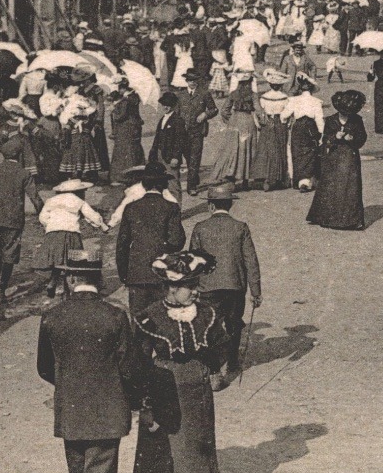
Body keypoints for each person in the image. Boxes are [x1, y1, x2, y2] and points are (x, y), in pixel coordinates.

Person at [36, 248, 142, 473]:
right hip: (107, 410)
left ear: (70, 278)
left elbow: (43, 367)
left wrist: (70, 384)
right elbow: (130, 368)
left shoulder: (52, 316)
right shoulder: (115, 316)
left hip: (70, 409)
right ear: (98, 279)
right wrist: (133, 399)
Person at [129, 251, 229, 473]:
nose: (195, 291)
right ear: (172, 287)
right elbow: (138, 362)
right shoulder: (148, 318)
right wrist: (145, 403)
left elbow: (220, 345)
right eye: (190, 286)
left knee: (197, 447)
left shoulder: (208, 314)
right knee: (164, 449)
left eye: (196, 285)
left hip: (197, 390)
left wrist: (214, 370)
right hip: (163, 388)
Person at [189, 185, 263, 388]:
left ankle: (214, 371)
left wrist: (192, 288)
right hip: (235, 286)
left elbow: (193, 262)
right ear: (230, 205)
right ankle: (231, 361)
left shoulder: (200, 228)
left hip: (207, 287)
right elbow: (251, 261)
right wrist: (255, 291)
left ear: (210, 206)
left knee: (209, 327)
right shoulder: (240, 227)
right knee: (234, 322)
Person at [117, 162, 187, 318]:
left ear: (143, 184)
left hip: (137, 275)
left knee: (139, 322)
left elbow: (122, 245)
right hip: (163, 274)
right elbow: (177, 241)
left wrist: (124, 274)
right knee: (163, 321)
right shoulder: (171, 207)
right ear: (164, 185)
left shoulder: (131, 208)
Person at [0, 138, 43, 304]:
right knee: (9, 253)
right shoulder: (24, 173)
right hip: (13, 220)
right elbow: (35, 197)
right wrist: (44, 215)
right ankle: (2, 289)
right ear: (19, 155)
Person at [34, 179, 109, 298]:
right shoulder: (78, 201)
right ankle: (67, 291)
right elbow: (92, 216)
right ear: (77, 192)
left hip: (53, 235)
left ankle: (52, 282)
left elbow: (42, 217)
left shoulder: (50, 201)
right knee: (73, 262)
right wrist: (103, 226)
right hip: (71, 235)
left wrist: (50, 226)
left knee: (58, 260)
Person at [307, 89, 368, 230]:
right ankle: (330, 218)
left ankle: (350, 220)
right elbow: (325, 139)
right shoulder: (330, 120)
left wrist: (352, 139)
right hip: (334, 158)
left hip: (350, 158)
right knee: (332, 187)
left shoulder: (357, 120)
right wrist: (335, 137)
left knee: (350, 188)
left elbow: (362, 138)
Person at [213, 71, 260, 188]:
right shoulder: (253, 95)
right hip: (248, 121)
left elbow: (224, 110)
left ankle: (232, 176)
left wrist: (230, 121)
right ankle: (245, 180)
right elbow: (259, 111)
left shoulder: (234, 93)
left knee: (234, 149)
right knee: (247, 149)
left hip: (235, 122)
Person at [175, 74, 219, 194]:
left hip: (197, 131)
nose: (192, 83)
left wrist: (205, 114)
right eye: (190, 80)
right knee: (188, 157)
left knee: (195, 158)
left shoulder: (204, 94)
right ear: (186, 81)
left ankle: (191, 187)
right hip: (183, 132)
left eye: (194, 80)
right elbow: (176, 113)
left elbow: (214, 109)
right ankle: (194, 178)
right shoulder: (181, 95)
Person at [287, 76, 325, 192]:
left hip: (298, 128)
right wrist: (322, 134)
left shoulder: (294, 100)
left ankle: (299, 180)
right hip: (310, 127)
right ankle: (307, 180)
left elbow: (284, 115)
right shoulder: (316, 101)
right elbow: (319, 119)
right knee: (310, 152)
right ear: (312, 89)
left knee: (297, 152)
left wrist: (286, 122)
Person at [248, 87, 290, 191]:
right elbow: (286, 115)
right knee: (279, 149)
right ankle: (277, 177)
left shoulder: (263, 97)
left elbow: (256, 112)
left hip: (266, 123)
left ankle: (264, 176)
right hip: (279, 123)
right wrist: (286, 123)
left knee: (265, 149)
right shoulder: (284, 97)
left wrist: (258, 124)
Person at [149, 91, 190, 187]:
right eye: (163, 105)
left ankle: (176, 202)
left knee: (173, 183)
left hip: (170, 157)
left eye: (168, 105)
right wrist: (153, 152)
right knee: (160, 183)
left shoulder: (178, 120)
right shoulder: (162, 119)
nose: (165, 107)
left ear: (173, 106)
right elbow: (157, 138)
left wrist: (176, 157)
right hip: (160, 154)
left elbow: (180, 141)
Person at [109, 80, 145, 182]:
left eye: (120, 88)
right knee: (134, 149)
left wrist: (113, 109)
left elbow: (120, 116)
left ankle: (124, 176)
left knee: (123, 151)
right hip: (135, 127)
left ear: (124, 88)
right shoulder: (134, 97)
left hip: (125, 128)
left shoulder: (125, 100)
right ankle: (137, 173)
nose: (119, 90)